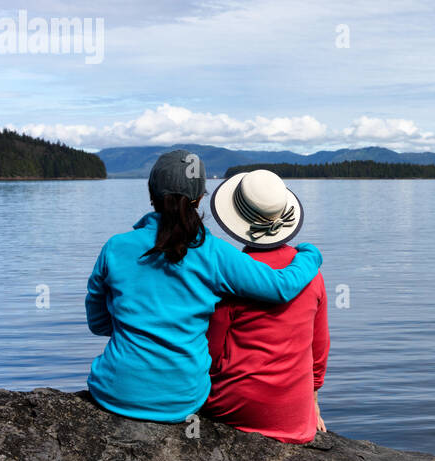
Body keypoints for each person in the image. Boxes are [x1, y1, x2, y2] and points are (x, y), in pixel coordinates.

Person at [84, 150, 323, 422]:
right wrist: (309, 254)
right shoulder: (214, 253)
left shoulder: (115, 247)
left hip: (113, 392)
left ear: (151, 195)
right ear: (199, 199)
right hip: (183, 400)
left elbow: (98, 323)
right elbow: (281, 287)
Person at [202, 168, 328, 444]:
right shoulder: (311, 273)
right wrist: (312, 404)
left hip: (236, 409)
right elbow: (319, 348)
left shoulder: (232, 275)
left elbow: (211, 352)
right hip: (297, 419)